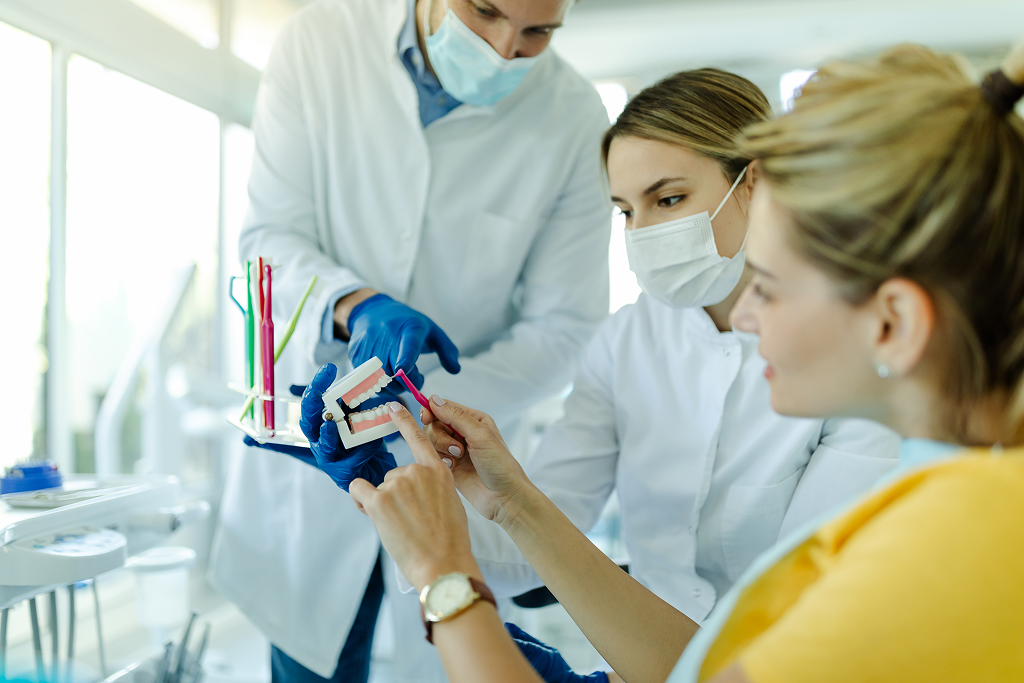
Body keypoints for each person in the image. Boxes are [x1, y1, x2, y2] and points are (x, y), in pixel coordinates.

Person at [333, 40, 1024, 683]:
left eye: (773, 285)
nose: (749, 315)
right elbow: (707, 660)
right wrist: (501, 503)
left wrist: (446, 582)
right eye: (625, 210)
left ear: (894, 322)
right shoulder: (955, 490)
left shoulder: (950, 533)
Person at [207, 0, 613, 680]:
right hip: (312, 471)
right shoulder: (319, 44)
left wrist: (404, 406)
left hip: (448, 466)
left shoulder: (572, 118)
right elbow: (267, 241)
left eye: (539, 30)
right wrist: (353, 302)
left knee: (454, 646)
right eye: (484, 10)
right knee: (312, 654)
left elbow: (566, 327)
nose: (504, 47)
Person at [452, 69, 897, 622]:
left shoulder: (855, 350)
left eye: (668, 199)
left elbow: (813, 591)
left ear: (754, 183)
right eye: (626, 211)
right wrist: (409, 492)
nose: (642, 232)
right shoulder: (624, 344)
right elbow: (540, 533)